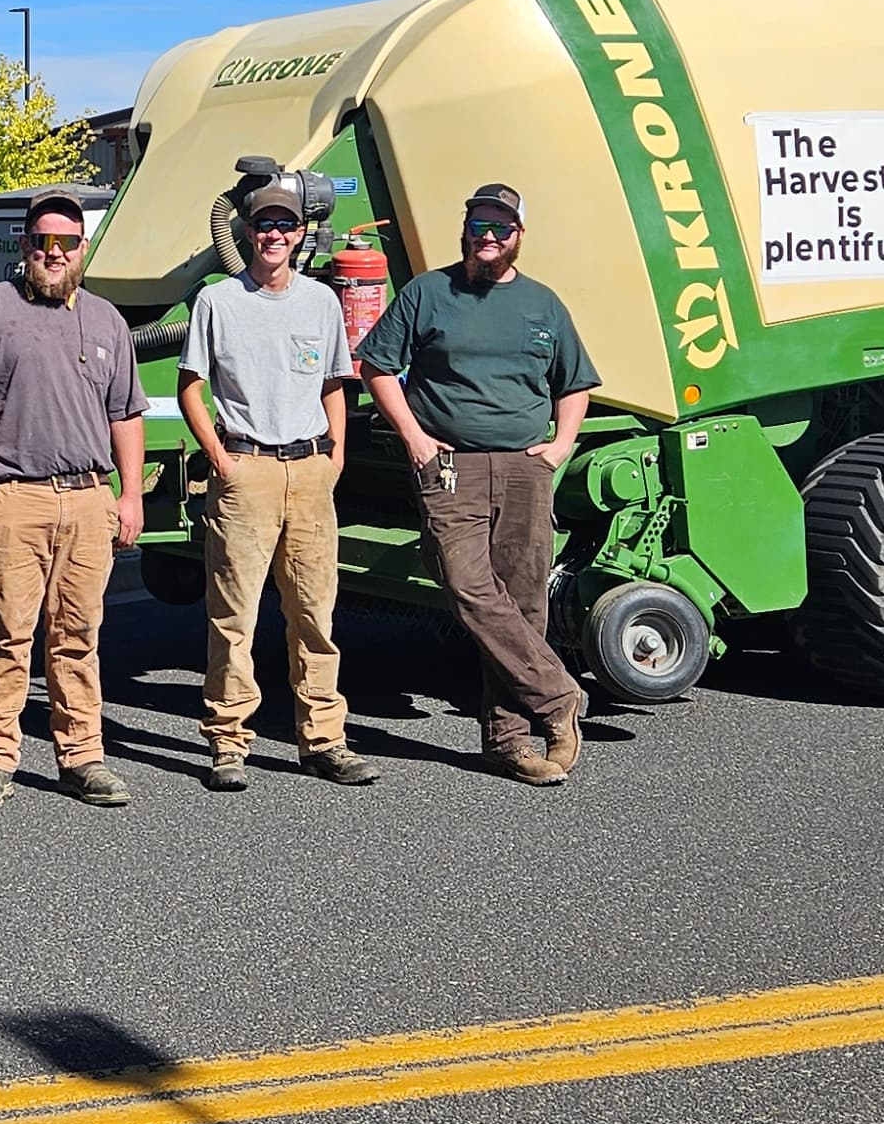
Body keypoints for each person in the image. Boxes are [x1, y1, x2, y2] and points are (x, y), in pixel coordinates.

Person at [358, 184, 601, 785]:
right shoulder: (428, 293)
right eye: (479, 226)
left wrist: (560, 446)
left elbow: (575, 383)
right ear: (465, 230)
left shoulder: (543, 304)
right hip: (449, 464)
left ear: (519, 235)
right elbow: (377, 366)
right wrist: (415, 438)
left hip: (524, 467)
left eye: (501, 228)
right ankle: (558, 696)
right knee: (466, 586)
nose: (488, 237)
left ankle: (508, 741)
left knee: (523, 599)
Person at [0, 189, 147, 813]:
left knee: (77, 635)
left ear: (82, 248)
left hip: (87, 500)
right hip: (13, 498)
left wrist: (130, 495)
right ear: (25, 246)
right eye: (42, 241)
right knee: (7, 634)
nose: (54, 253)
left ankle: (82, 757)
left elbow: (125, 414)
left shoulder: (107, 320)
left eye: (67, 243)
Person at [178, 173, 375, 792]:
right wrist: (220, 457)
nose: (274, 235)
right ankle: (228, 742)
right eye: (264, 224)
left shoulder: (320, 301)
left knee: (315, 614)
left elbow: (334, 384)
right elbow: (191, 387)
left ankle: (324, 740)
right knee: (233, 617)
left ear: (299, 235)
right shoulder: (218, 301)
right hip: (247, 472)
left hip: (310, 471)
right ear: (246, 232)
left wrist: (335, 457)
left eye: (285, 225)